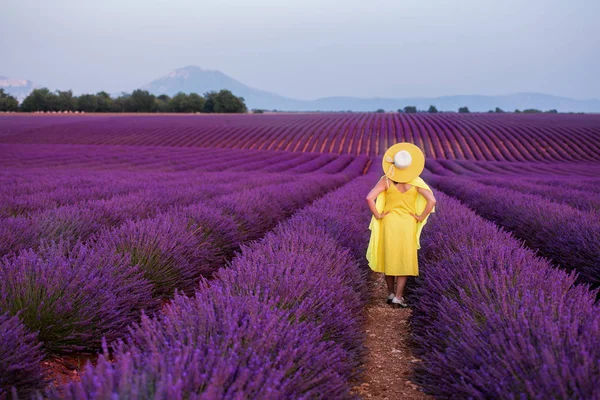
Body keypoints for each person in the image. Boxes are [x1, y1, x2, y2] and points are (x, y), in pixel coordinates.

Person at [365, 143, 436, 308]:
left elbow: (369, 198)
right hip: (407, 223)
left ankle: (390, 293)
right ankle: (398, 296)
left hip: (389, 222)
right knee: (404, 259)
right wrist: (420, 216)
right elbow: (432, 200)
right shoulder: (416, 182)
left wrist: (378, 214)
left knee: (389, 256)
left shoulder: (386, 180)